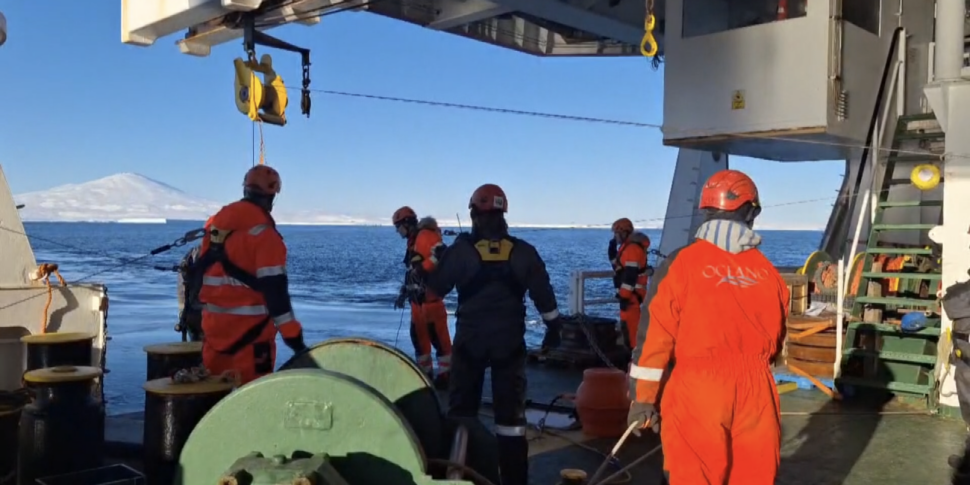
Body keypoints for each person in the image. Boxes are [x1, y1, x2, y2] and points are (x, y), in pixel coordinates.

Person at [627, 169, 790, 485]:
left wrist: (643, 400)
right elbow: (777, 340)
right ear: (750, 211)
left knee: (693, 475)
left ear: (706, 211)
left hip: (697, 390)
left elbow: (655, 338)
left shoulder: (682, 263)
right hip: (758, 393)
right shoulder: (769, 272)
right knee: (754, 475)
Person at [425, 183, 561, 485]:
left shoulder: (461, 251)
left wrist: (435, 262)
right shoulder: (525, 252)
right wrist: (553, 328)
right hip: (509, 346)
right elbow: (545, 298)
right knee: (511, 423)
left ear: (473, 213)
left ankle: (460, 474)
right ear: (503, 214)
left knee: (462, 413)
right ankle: (514, 479)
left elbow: (433, 290)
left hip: (469, 345)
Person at [193, 165, 308, 385]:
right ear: (272, 195)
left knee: (214, 402)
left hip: (214, 337)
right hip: (252, 345)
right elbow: (276, 296)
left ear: (245, 190)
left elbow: (200, 277)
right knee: (252, 405)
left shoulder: (215, 228)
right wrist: (294, 339)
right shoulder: (265, 237)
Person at [392, 205, 453, 388]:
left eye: (398, 227)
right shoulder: (413, 240)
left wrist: (424, 268)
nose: (398, 231)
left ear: (406, 223)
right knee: (420, 342)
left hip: (430, 302)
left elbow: (442, 252)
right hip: (417, 304)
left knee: (440, 341)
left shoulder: (425, 236)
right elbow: (413, 272)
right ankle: (425, 376)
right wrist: (404, 292)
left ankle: (446, 377)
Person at [608, 217, 650, 350]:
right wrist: (612, 252)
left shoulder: (632, 249)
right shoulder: (627, 248)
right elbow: (619, 267)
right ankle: (632, 360)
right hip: (631, 297)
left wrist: (624, 296)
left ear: (624, 233)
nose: (615, 236)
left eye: (616, 233)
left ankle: (634, 361)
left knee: (631, 331)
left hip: (632, 298)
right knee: (629, 330)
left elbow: (630, 276)